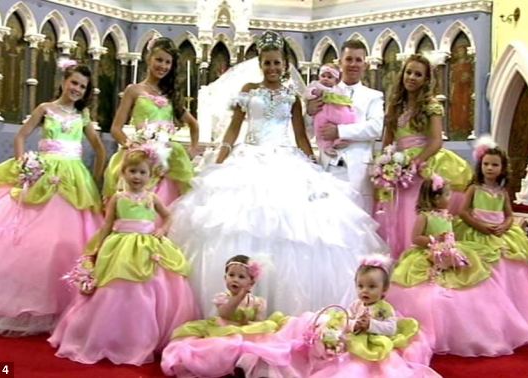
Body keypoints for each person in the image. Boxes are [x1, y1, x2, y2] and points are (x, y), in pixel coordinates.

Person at [169, 31, 387, 316]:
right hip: (249, 156)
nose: (272, 68)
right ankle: (234, 301)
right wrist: (220, 160)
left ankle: (281, 305)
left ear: (285, 65)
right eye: (267, 63)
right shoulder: (248, 90)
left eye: (277, 63)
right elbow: (233, 129)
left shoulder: (292, 96)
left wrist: (314, 165)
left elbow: (300, 135)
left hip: (286, 158)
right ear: (260, 64)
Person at [0, 63, 105, 335]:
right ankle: (14, 297)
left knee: (64, 241)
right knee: (24, 238)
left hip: (74, 178)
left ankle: (65, 304)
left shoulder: (82, 115)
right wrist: (24, 163)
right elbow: (21, 136)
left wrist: (96, 179)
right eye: (74, 83)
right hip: (43, 172)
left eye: (82, 86)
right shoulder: (45, 109)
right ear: (64, 81)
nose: (77, 89)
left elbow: (98, 147)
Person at [49, 148, 198, 365]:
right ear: (123, 172)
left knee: (153, 288)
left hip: (148, 245)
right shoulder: (117, 198)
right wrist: (97, 249)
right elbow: (107, 225)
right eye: (132, 171)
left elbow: (168, 216)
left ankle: (144, 336)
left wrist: (162, 230)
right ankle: (109, 336)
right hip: (120, 245)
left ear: (151, 176)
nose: (137, 176)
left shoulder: (152, 198)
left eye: (142, 172)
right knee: (113, 288)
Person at [386, 176, 528, 356]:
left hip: (451, 252)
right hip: (429, 254)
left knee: (474, 279)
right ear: (436, 198)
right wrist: (434, 241)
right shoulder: (424, 216)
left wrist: (450, 243)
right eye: (447, 195)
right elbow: (415, 238)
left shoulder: (447, 216)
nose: (450, 198)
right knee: (432, 289)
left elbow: (451, 234)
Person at [239, 255, 437, 378]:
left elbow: (391, 328)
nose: (364, 291)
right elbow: (348, 318)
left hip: (371, 343)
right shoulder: (356, 304)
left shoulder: (384, 308)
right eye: (360, 286)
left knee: (359, 366)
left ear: (384, 290)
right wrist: (348, 324)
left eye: (371, 287)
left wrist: (372, 325)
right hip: (353, 338)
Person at [454, 138, 528, 344]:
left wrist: (505, 226)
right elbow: (463, 212)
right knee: (486, 270)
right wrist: (480, 226)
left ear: (502, 169)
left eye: (494, 165)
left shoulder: (502, 192)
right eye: (486, 164)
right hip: (477, 232)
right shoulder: (474, 188)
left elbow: (509, 215)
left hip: (500, 235)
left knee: (509, 269)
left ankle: (511, 315)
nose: (490, 168)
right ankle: (486, 318)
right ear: (480, 165)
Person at [376, 54, 473, 258]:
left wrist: (416, 161)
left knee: (414, 212)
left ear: (426, 80)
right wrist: (385, 164)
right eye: (409, 72)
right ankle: (399, 260)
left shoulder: (431, 105)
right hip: (398, 168)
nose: (412, 77)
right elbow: (387, 141)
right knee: (398, 213)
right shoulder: (395, 106)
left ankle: (418, 260)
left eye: (418, 74)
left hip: (421, 168)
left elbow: (437, 141)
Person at [103, 37, 199, 206]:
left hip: (168, 156)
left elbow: (194, 124)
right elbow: (116, 129)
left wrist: (192, 150)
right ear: (149, 58)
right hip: (141, 154)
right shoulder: (134, 90)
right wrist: (132, 145)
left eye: (168, 62)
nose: (163, 66)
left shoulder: (170, 95)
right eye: (159, 60)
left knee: (167, 202)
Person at [161, 255, 289, 377]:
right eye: (231, 275)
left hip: (245, 331)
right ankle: (224, 366)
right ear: (225, 278)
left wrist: (250, 323)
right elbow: (225, 313)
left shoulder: (257, 302)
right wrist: (238, 297)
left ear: (251, 283)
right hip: (224, 330)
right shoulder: (223, 298)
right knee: (221, 346)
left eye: (241, 277)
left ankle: (246, 367)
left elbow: (259, 323)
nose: (235, 279)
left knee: (261, 339)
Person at [307, 39, 384, 211]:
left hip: (358, 171)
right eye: (349, 59)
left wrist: (339, 131)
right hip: (328, 166)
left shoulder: (373, 96)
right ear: (340, 62)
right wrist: (309, 112)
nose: (353, 64)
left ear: (365, 64)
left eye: (358, 60)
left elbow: (375, 128)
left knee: (359, 227)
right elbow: (310, 129)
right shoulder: (322, 90)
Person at [305, 62, 354, 157]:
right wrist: (314, 92)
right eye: (323, 76)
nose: (325, 79)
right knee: (320, 129)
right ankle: (326, 147)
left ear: (336, 80)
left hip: (335, 112)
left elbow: (344, 99)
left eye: (329, 77)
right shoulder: (316, 85)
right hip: (321, 112)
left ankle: (340, 140)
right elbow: (307, 93)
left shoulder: (338, 89)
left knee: (346, 118)